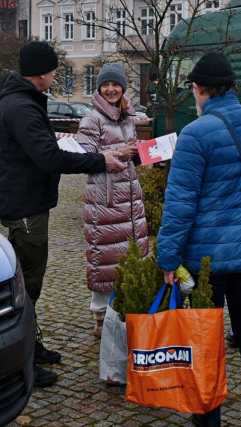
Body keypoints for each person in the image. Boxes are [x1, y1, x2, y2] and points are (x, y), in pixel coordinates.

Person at [0, 41, 134, 388]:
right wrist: (100, 160)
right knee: (28, 285)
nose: (55, 75)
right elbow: (48, 157)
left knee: (31, 280)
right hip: (25, 208)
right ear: (43, 72)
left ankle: (32, 344)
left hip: (29, 203)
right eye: (54, 69)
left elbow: (41, 150)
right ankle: (23, 361)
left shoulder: (22, 101)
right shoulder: (21, 106)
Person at [156, 52, 241, 427]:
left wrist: (167, 258)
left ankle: (208, 419)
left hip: (205, 261)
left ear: (198, 89)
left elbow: (180, 204)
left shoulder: (195, 134)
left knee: (204, 340)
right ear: (232, 86)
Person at [74, 62, 149, 339]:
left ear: (122, 88)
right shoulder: (91, 119)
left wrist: (142, 154)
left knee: (129, 256)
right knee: (103, 258)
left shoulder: (127, 118)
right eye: (105, 85)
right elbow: (82, 156)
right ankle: (100, 318)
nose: (110, 89)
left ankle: (126, 313)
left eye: (115, 84)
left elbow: (129, 156)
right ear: (99, 88)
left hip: (129, 197)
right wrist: (120, 152)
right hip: (104, 200)